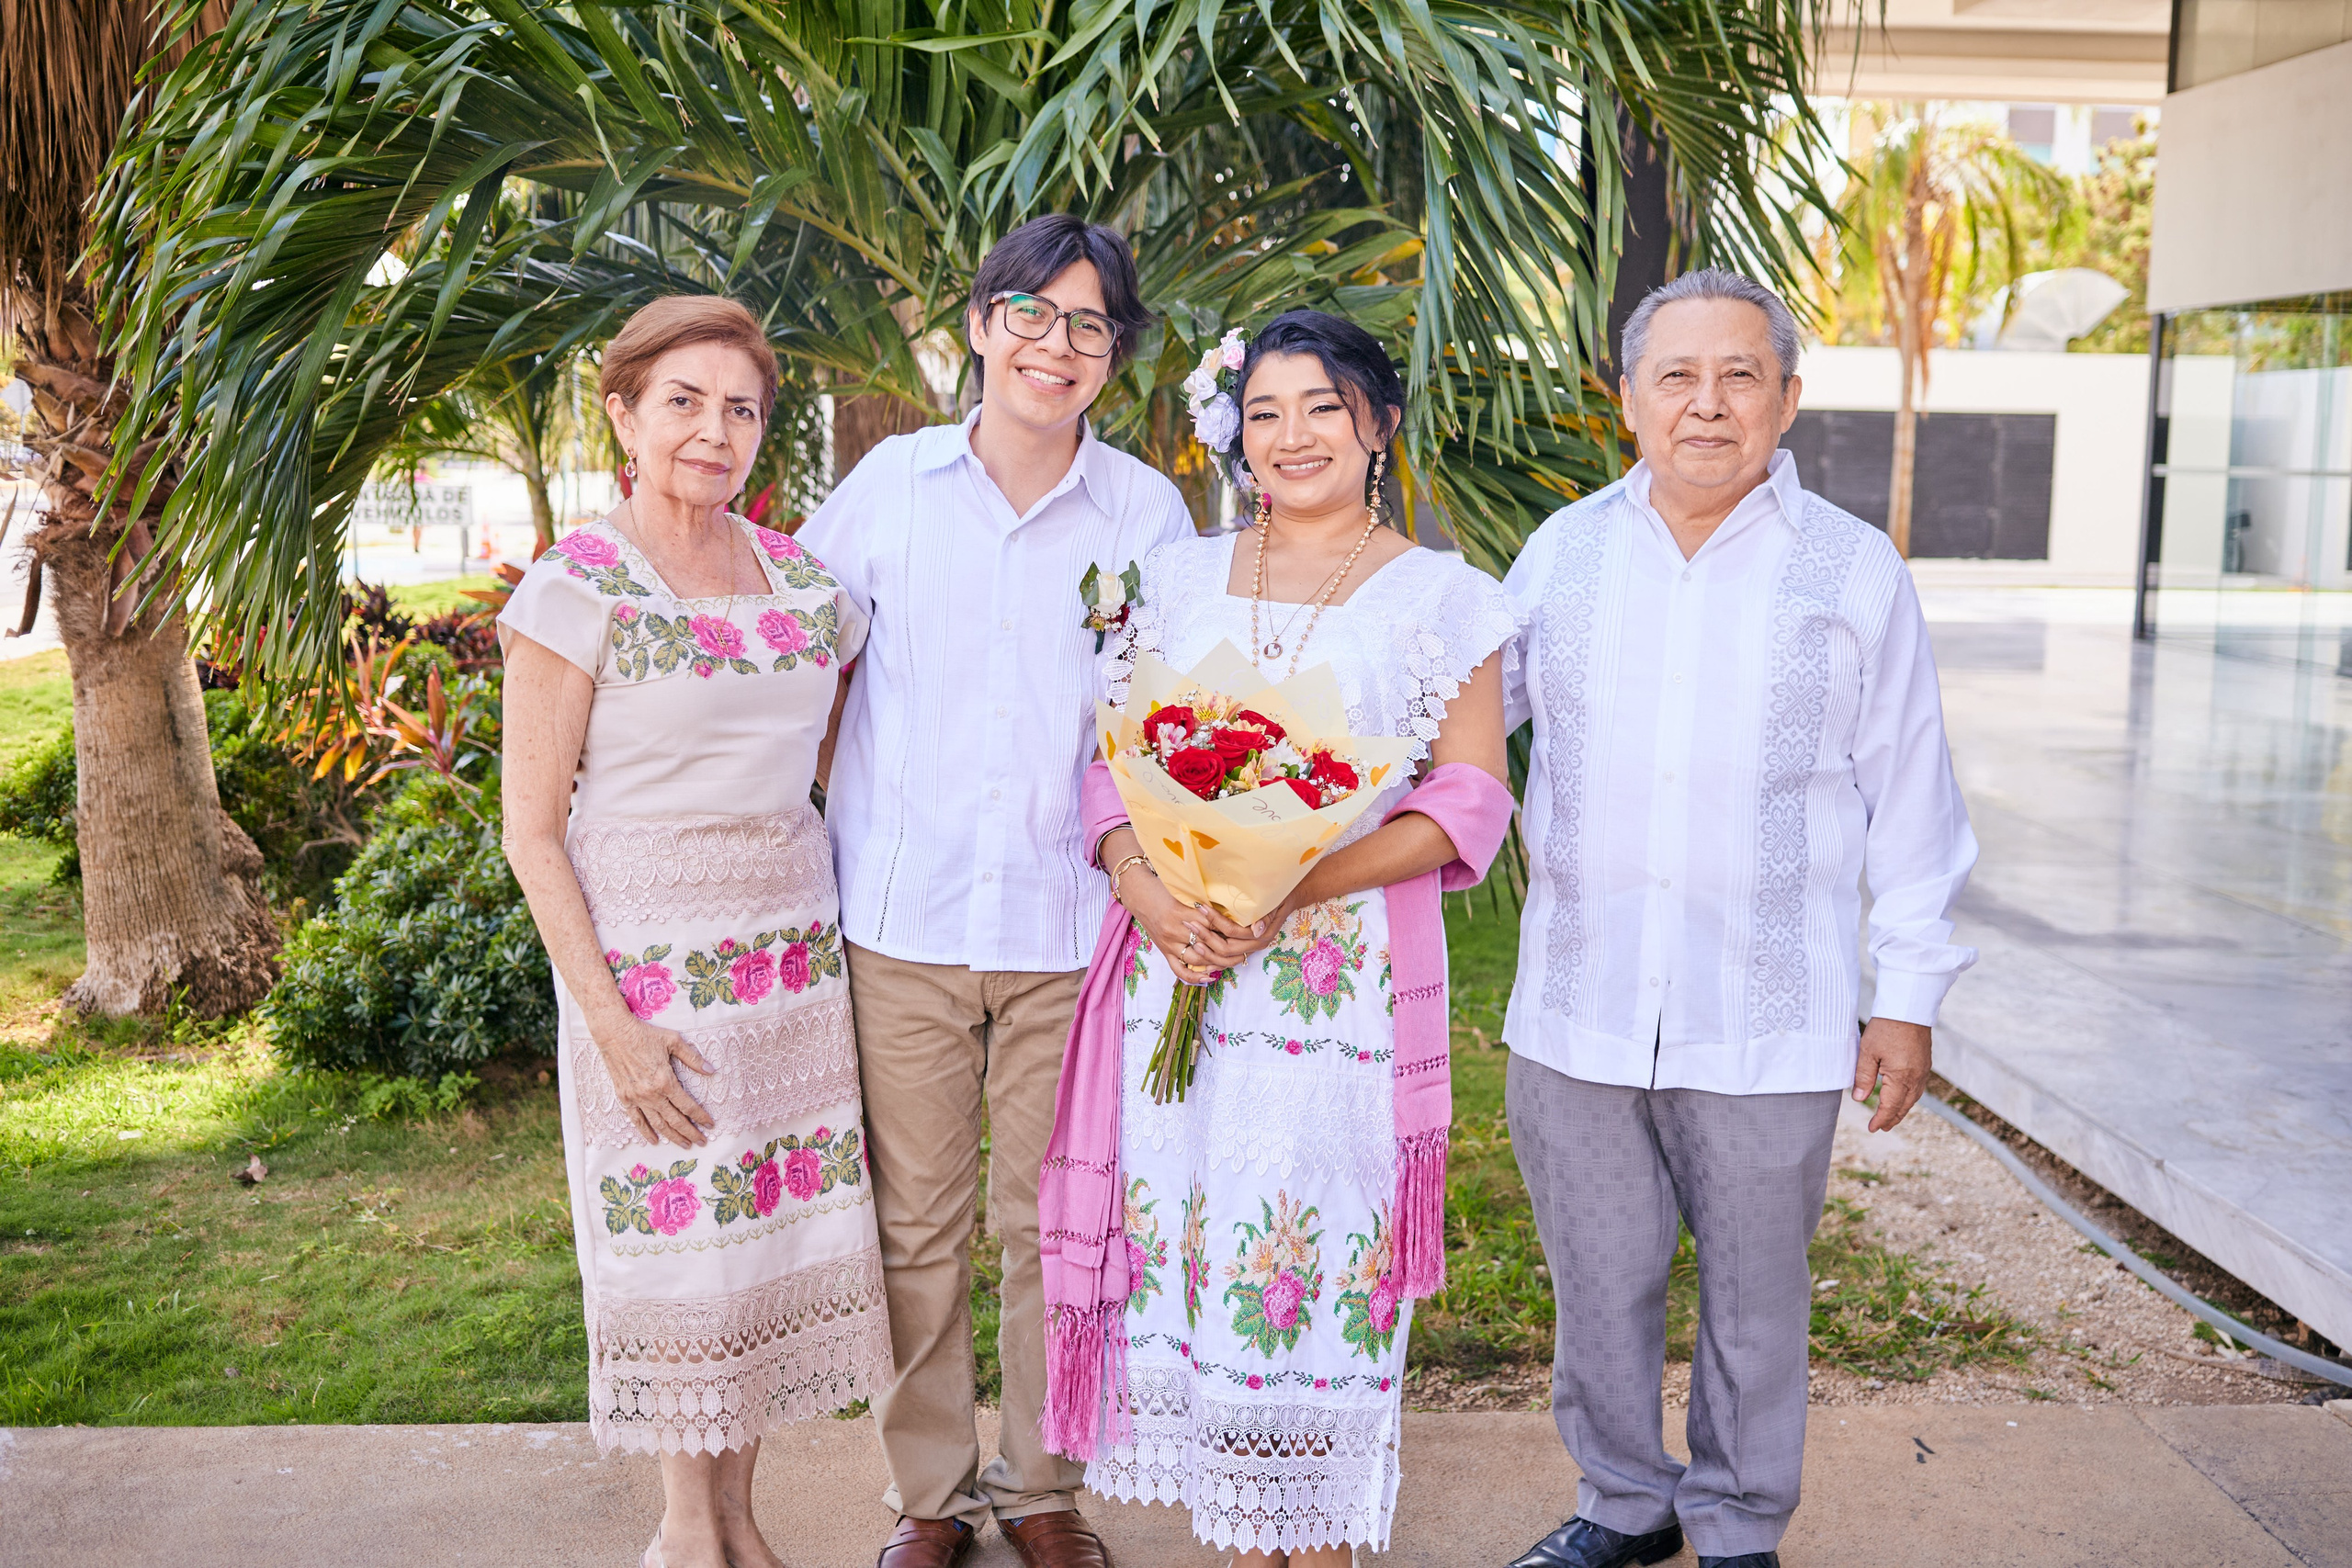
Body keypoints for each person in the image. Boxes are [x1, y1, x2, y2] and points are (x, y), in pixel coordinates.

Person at [1497, 268, 1980, 1568]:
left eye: (1738, 376)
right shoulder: (1562, 556)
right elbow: (1464, 736)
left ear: (1787, 398)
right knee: (1599, 1284)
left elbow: (1916, 805)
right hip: (1580, 1003)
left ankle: (1739, 1518)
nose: (1707, 405)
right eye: (1677, 377)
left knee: (1757, 1301)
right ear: (1628, 398)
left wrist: (1908, 999)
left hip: (1769, 1007)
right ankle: (1622, 1503)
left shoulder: (1853, 572)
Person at [1037, 310, 1521, 1563]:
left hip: (1332, 995)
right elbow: (1107, 760)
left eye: (1322, 407)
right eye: (1265, 411)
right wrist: (1149, 889)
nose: (1292, 436)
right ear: (1232, 431)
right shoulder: (1173, 575)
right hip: (1180, 972)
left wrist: (1298, 882)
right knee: (1201, 1272)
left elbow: (1469, 799)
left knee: (1309, 1270)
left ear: (1380, 425)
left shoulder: (1445, 598)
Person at [794, 215, 1195, 1568]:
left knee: (1053, 1221)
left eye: (1088, 325)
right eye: (1030, 313)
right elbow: (798, 655)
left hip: (1070, 928)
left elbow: (1169, 723)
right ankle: (928, 1497)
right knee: (914, 1223)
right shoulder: (888, 490)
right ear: (978, 326)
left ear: (1115, 358)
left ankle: (1039, 1490)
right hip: (901, 920)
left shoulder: (1146, 515)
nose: (1056, 345)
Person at [500, 295, 892, 1568]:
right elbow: (531, 833)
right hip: (650, 985)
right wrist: (610, 1026)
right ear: (622, 411)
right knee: (681, 1261)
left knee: (763, 1258)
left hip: (790, 969)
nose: (713, 431)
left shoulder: (810, 586)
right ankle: (685, 1534)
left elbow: (836, 752)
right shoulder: (576, 587)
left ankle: (741, 1522)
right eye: (684, 401)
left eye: (741, 408)